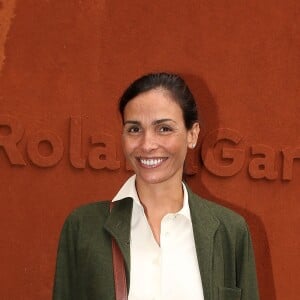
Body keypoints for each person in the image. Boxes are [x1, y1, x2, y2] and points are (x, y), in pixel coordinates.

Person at [53, 72, 260, 300]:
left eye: (164, 129)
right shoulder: (84, 226)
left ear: (192, 134)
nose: (147, 144)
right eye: (134, 129)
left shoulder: (229, 231)